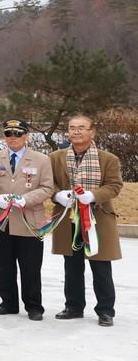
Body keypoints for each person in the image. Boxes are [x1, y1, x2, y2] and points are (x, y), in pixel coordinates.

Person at [50, 114, 123, 326]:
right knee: (71, 266)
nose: (76, 131)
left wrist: (93, 195)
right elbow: (49, 183)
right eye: (72, 128)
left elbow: (115, 186)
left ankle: (105, 310)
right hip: (68, 219)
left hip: (97, 219)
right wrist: (57, 195)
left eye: (82, 127)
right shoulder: (56, 157)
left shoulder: (108, 158)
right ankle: (73, 306)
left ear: (92, 131)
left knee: (101, 267)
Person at [0, 119, 55, 321]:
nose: (13, 138)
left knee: (31, 266)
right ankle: (8, 302)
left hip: (29, 221)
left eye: (17, 134)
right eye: (9, 134)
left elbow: (47, 188)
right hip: (1, 220)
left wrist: (26, 199)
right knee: (4, 264)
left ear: (26, 136)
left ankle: (34, 306)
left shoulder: (41, 160)